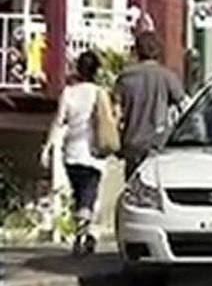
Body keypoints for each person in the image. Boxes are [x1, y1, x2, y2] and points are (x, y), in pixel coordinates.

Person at [40, 51, 107, 256]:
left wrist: (48, 147)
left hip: (71, 153)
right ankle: (83, 235)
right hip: (93, 153)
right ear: (96, 71)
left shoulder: (68, 93)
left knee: (80, 196)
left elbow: (59, 121)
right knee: (89, 196)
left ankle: (86, 234)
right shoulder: (99, 93)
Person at [115, 31, 186, 180]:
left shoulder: (125, 78)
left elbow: (116, 112)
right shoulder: (166, 76)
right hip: (158, 142)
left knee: (133, 184)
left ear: (137, 50)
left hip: (132, 142)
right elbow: (183, 106)